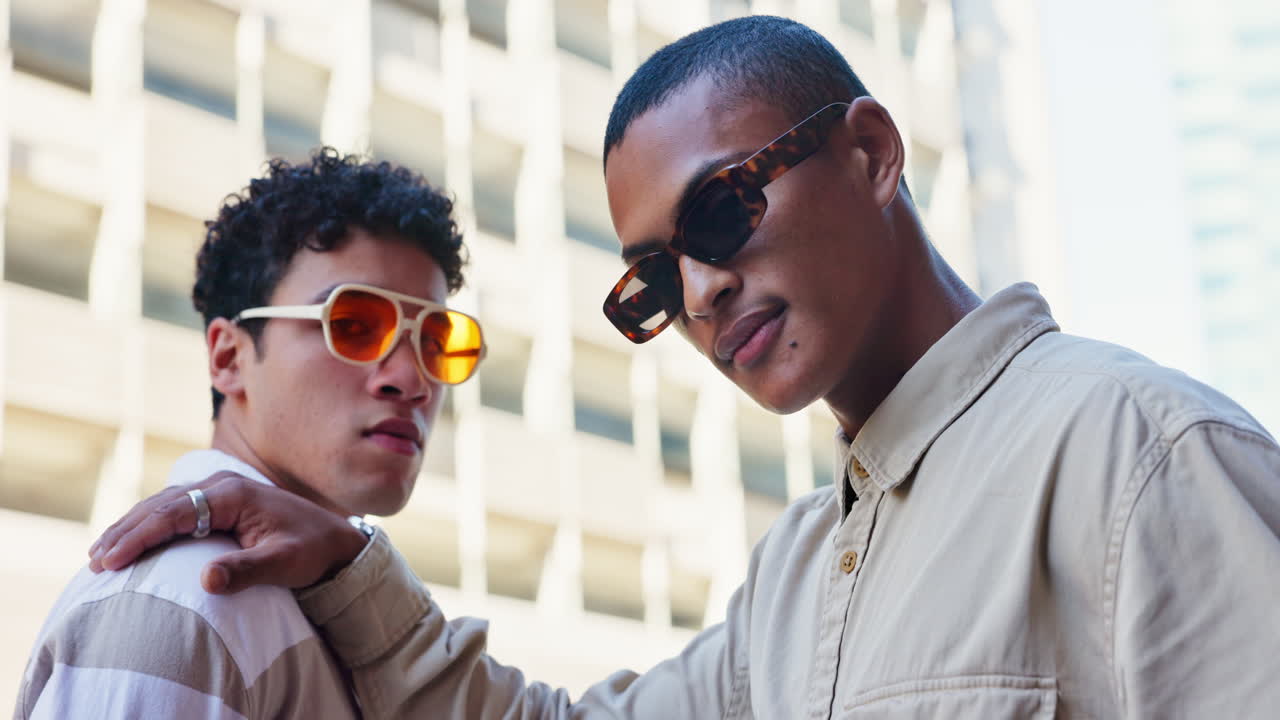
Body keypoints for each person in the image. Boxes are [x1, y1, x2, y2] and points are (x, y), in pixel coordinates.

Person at [87, 16, 1280, 719]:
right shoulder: (800, 576)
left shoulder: (1138, 455)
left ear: (869, 152)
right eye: (653, 280)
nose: (701, 293)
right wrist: (350, 565)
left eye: (720, 213)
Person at [14, 149, 486, 719]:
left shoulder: (330, 610)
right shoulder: (189, 603)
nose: (413, 380)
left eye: (437, 341)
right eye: (354, 326)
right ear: (229, 357)